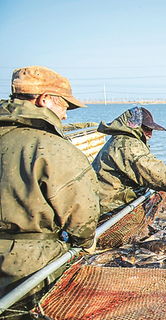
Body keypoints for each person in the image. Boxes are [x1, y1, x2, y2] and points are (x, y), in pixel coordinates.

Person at [0, 66, 100, 310]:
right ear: (44, 99)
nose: (65, 116)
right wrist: (85, 243)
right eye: (65, 106)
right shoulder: (53, 148)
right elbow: (83, 220)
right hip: (30, 266)